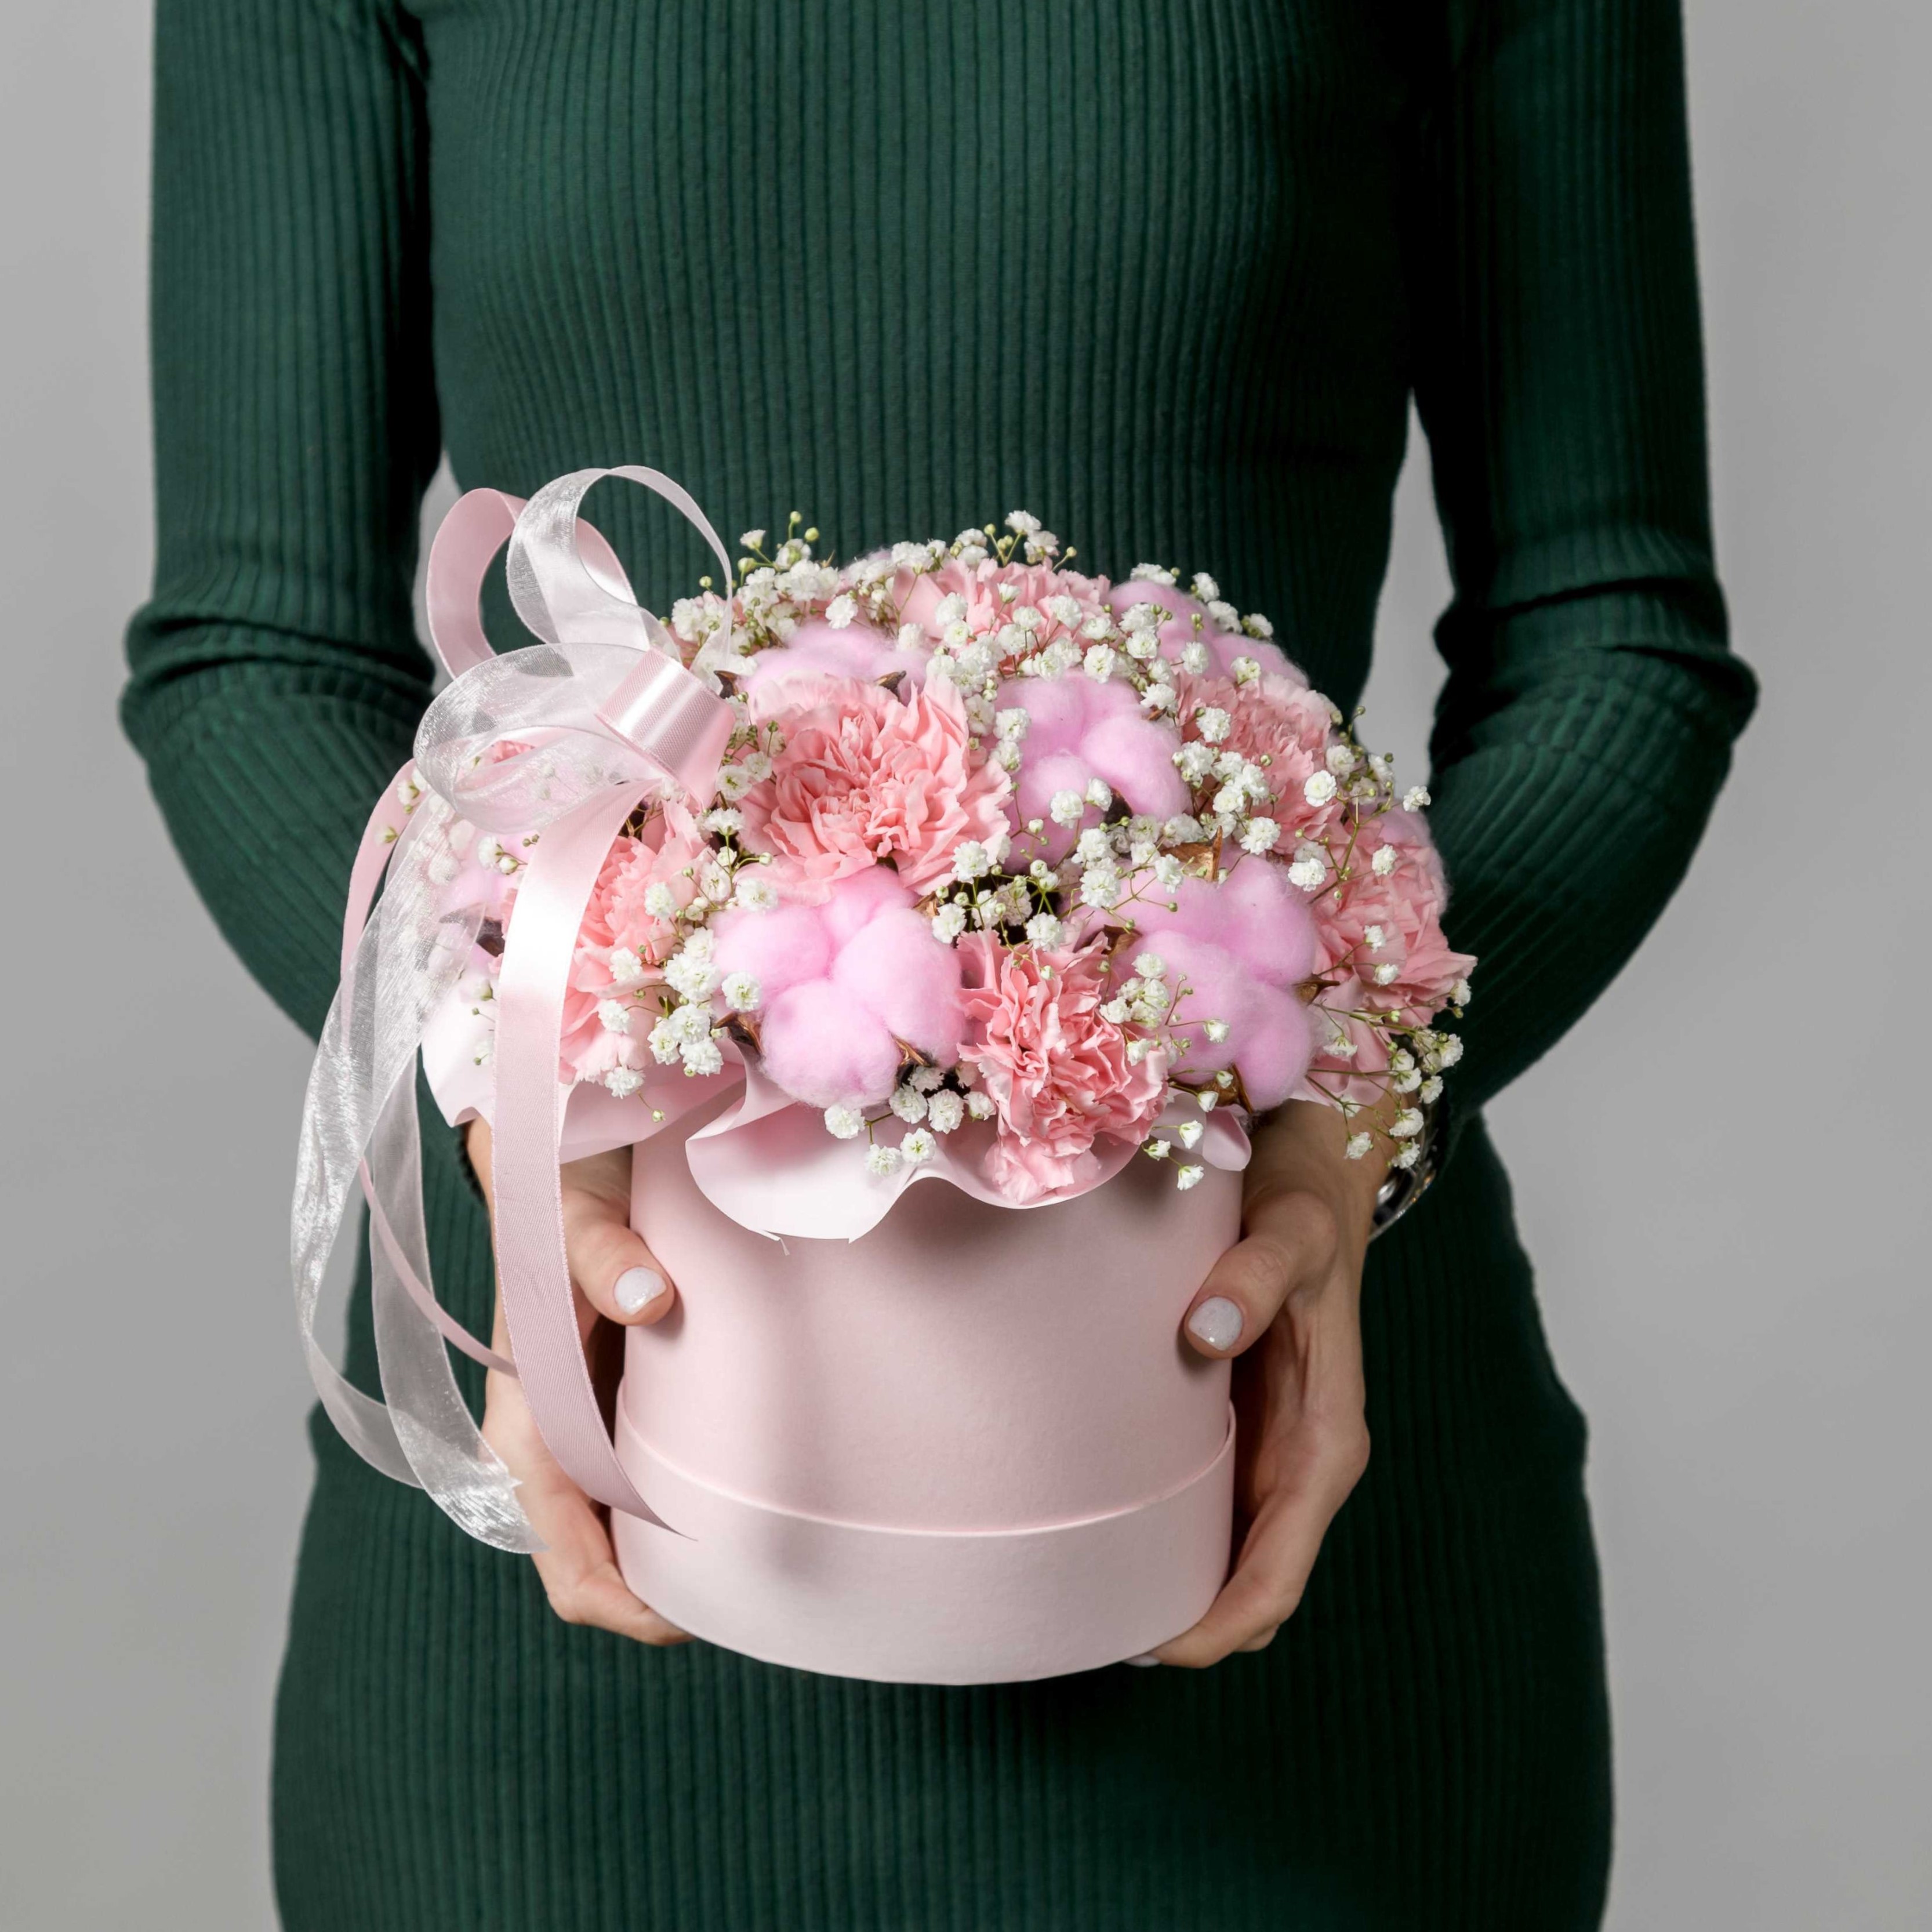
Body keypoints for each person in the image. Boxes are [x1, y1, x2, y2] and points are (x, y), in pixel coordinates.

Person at [123, 2, 1756, 1925]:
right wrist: (519, 1090)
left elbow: (1606, 630)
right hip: (568, 1571)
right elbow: (262, 649)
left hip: (1279, 1532)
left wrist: (1341, 1115)